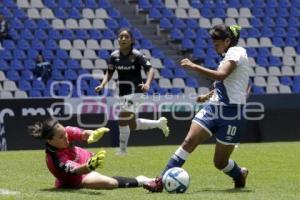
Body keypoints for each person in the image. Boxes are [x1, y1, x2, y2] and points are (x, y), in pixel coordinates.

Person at [143, 25, 250, 192]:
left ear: (228, 41)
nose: (215, 47)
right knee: (189, 141)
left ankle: (238, 174)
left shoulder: (236, 52)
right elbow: (229, 83)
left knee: (220, 163)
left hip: (232, 114)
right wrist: (208, 95)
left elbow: (221, 75)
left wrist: (194, 66)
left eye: (217, 44)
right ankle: (160, 181)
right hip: (213, 108)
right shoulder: (228, 55)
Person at [95, 28, 169, 155]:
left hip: (137, 91)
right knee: (132, 124)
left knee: (122, 118)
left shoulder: (137, 55)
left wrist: (147, 84)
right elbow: (110, 72)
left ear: (132, 40)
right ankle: (158, 123)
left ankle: (122, 151)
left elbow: (150, 69)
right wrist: (102, 84)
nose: (123, 39)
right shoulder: (114, 56)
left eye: (126, 37)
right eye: (121, 37)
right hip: (123, 92)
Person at [28, 118, 152, 189]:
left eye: (65, 132)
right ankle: (141, 180)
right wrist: (89, 166)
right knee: (110, 184)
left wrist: (93, 133)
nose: (66, 137)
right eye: (61, 137)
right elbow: (76, 171)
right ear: (50, 140)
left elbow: (83, 134)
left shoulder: (64, 132)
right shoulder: (55, 159)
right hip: (75, 178)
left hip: (84, 157)